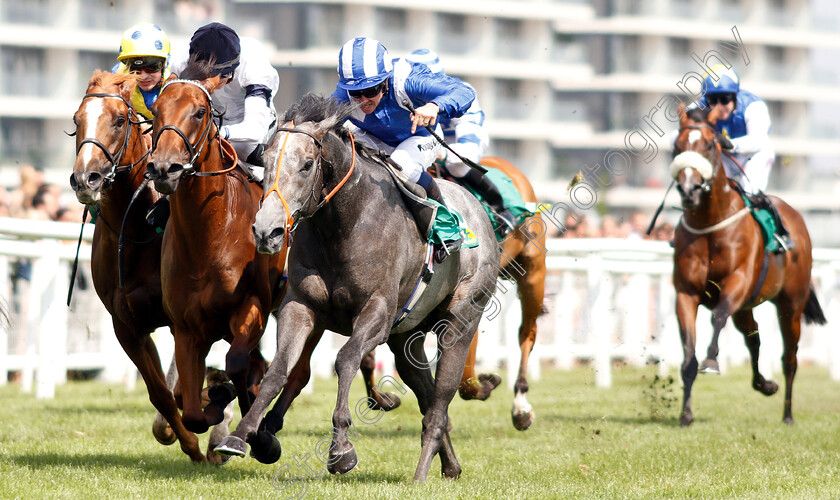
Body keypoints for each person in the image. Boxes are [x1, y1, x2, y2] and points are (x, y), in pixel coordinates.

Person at [330, 37, 476, 260]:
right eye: (355, 93)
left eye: (371, 90)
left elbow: (464, 92)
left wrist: (434, 105)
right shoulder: (344, 95)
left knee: (402, 166)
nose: (362, 100)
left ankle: (446, 223)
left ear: (386, 80)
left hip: (420, 137)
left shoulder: (409, 80)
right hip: (374, 137)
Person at [405, 48, 515, 235]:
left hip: (461, 142)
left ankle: (500, 208)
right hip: (430, 140)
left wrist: (441, 153)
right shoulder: (403, 95)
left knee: (457, 167)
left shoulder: (461, 94)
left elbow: (469, 150)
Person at [696, 64, 794, 252]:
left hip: (754, 155)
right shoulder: (698, 108)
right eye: (712, 100)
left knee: (750, 192)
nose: (718, 107)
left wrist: (732, 144)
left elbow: (757, 140)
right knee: (704, 191)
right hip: (725, 157)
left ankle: (780, 233)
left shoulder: (753, 107)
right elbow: (678, 134)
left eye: (724, 99)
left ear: (734, 96)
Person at [169, 22, 280, 179]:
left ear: (228, 74)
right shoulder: (182, 59)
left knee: (243, 148)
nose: (204, 83)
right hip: (207, 120)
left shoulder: (253, 63)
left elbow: (255, 129)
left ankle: (267, 190)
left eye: (207, 77)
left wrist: (214, 133)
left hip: (250, 126)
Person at [112, 23, 171, 120]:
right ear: (127, 66)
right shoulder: (117, 78)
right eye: (135, 69)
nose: (143, 77)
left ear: (165, 63)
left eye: (151, 67)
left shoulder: (180, 77)